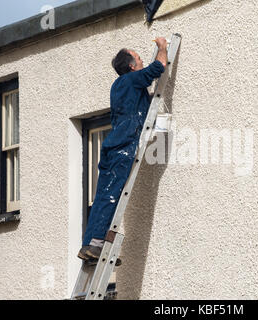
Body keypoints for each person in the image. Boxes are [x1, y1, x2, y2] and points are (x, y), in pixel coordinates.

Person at [77, 37, 168, 263]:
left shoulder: (119, 86)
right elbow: (158, 68)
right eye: (138, 58)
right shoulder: (131, 80)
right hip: (123, 147)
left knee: (102, 195)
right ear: (131, 66)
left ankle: (90, 246)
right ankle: (98, 245)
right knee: (111, 195)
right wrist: (163, 48)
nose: (141, 60)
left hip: (112, 144)